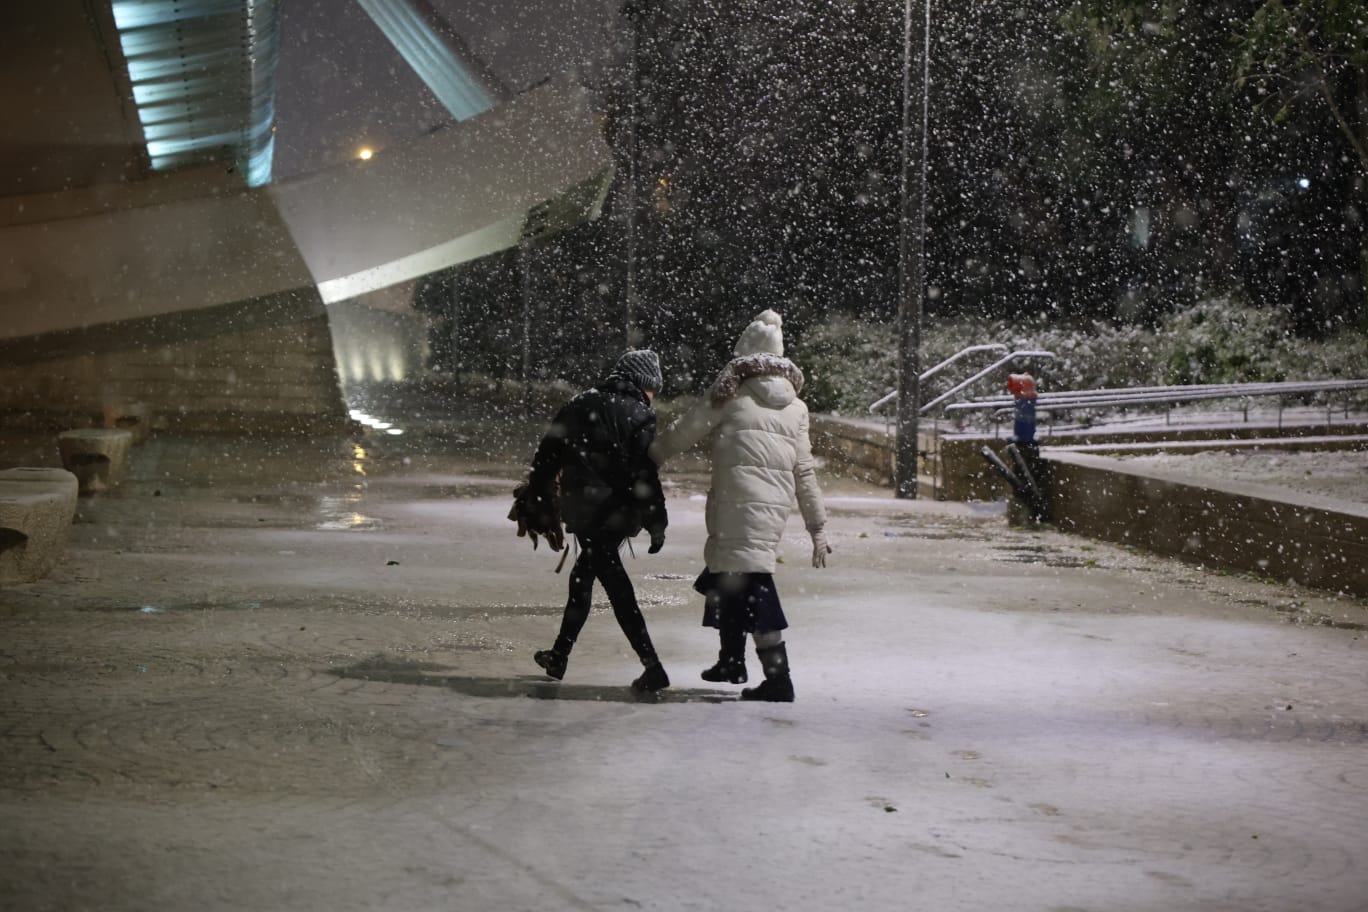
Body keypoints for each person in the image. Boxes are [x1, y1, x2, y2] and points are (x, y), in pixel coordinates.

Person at [650, 310, 829, 702]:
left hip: (734, 506)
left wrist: (648, 457)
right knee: (728, 578)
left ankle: (778, 681)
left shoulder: (729, 393)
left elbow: (684, 431)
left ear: (744, 355)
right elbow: (804, 471)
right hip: (771, 511)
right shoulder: (796, 408)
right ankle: (731, 661)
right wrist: (816, 526)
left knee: (752, 588)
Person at [512, 349, 671, 693]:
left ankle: (653, 667)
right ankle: (559, 655)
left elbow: (546, 458)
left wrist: (539, 500)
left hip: (585, 511)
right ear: (641, 383)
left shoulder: (579, 403)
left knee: (611, 585)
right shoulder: (640, 414)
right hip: (619, 513)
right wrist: (655, 520)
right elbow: (645, 473)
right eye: (651, 389)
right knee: (586, 577)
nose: (651, 397)